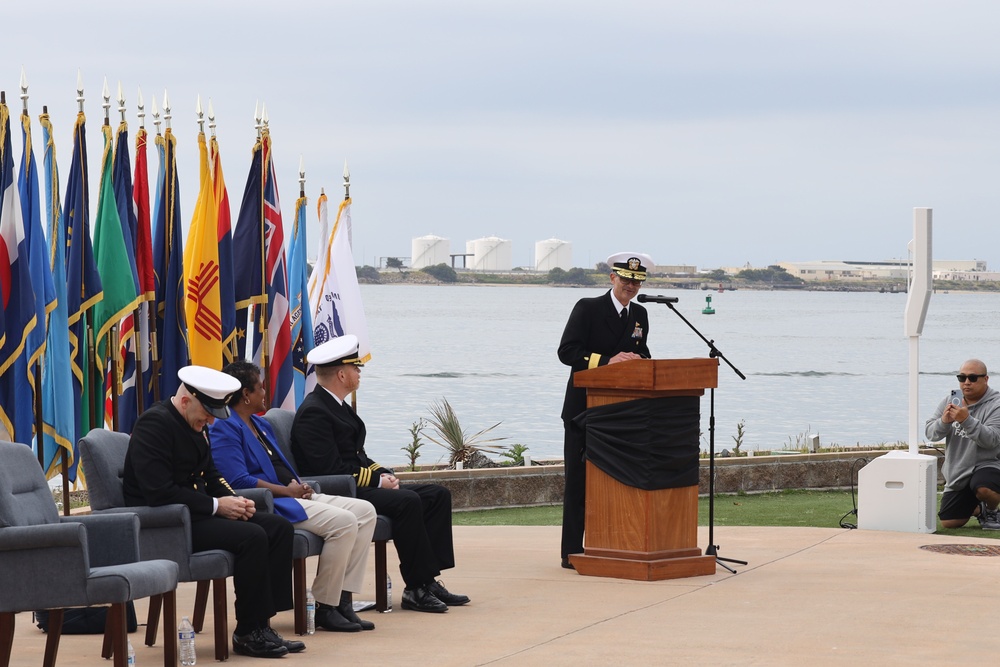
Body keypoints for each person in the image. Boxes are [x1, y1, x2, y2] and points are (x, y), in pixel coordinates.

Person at [123, 365, 303, 659]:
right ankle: (247, 632)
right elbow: (159, 491)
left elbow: (212, 474)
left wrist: (235, 501)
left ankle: (263, 622)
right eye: (206, 413)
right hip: (165, 523)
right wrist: (218, 506)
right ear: (185, 401)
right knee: (253, 537)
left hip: (196, 513)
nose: (209, 420)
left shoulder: (195, 423)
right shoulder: (154, 425)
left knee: (278, 527)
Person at [291, 335, 470, 614]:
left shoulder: (337, 406)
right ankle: (416, 589)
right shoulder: (314, 412)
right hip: (339, 492)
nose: (359, 373)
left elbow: (357, 456)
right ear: (341, 374)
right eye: (355, 368)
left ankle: (428, 581)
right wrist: (376, 482)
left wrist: (384, 473)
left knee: (436, 495)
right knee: (408, 502)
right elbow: (328, 469)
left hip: (355, 484)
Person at [210, 361, 379, 632]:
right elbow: (238, 480)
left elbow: (278, 465)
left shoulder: (259, 424)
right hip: (269, 503)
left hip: (293, 495)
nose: (265, 392)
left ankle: (343, 600)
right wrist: (286, 491)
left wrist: (299, 485)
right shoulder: (225, 426)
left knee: (365, 512)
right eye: (261, 387)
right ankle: (326, 605)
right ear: (245, 395)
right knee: (345, 522)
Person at [557, 252, 653, 568]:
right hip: (583, 408)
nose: (631, 285)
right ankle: (571, 551)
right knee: (578, 483)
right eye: (626, 279)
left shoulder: (640, 314)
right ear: (612, 278)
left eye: (637, 281)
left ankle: (613, 543)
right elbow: (567, 352)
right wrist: (608, 360)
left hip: (619, 412)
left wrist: (644, 363)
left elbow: (641, 351)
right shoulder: (587, 308)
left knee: (616, 482)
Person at [925, 358, 1000, 530]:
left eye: (973, 378)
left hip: (988, 465)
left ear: (986, 379)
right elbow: (930, 432)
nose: (966, 383)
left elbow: (992, 440)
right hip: (959, 470)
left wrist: (966, 420)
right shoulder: (951, 401)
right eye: (962, 378)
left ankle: (992, 509)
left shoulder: (996, 404)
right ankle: (979, 508)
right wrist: (944, 421)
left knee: (984, 488)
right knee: (950, 522)